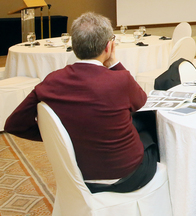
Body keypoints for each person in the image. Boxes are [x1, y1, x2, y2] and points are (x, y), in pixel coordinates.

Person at [4, 12, 157, 193]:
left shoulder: (52, 81)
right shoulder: (120, 80)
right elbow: (141, 102)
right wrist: (115, 63)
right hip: (126, 177)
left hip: (76, 173)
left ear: (74, 45)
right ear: (109, 46)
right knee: (150, 124)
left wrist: (59, 137)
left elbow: (13, 124)